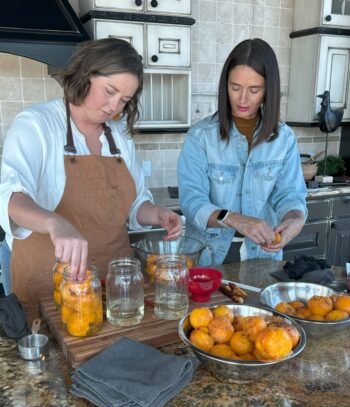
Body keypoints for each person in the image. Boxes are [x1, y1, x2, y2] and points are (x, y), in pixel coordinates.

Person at [0, 38, 182, 304]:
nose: (114, 107)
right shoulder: (37, 124)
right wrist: (55, 223)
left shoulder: (119, 136)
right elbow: (9, 198)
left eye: (124, 100)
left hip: (113, 283)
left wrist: (158, 214)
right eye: (109, 91)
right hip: (51, 283)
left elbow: (135, 205)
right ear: (86, 73)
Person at [177, 38, 307, 267]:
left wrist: (295, 219)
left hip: (262, 259)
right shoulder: (200, 137)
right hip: (207, 258)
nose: (242, 99)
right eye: (235, 87)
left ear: (269, 90)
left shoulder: (284, 138)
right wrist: (235, 220)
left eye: (254, 90)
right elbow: (192, 203)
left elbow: (290, 195)